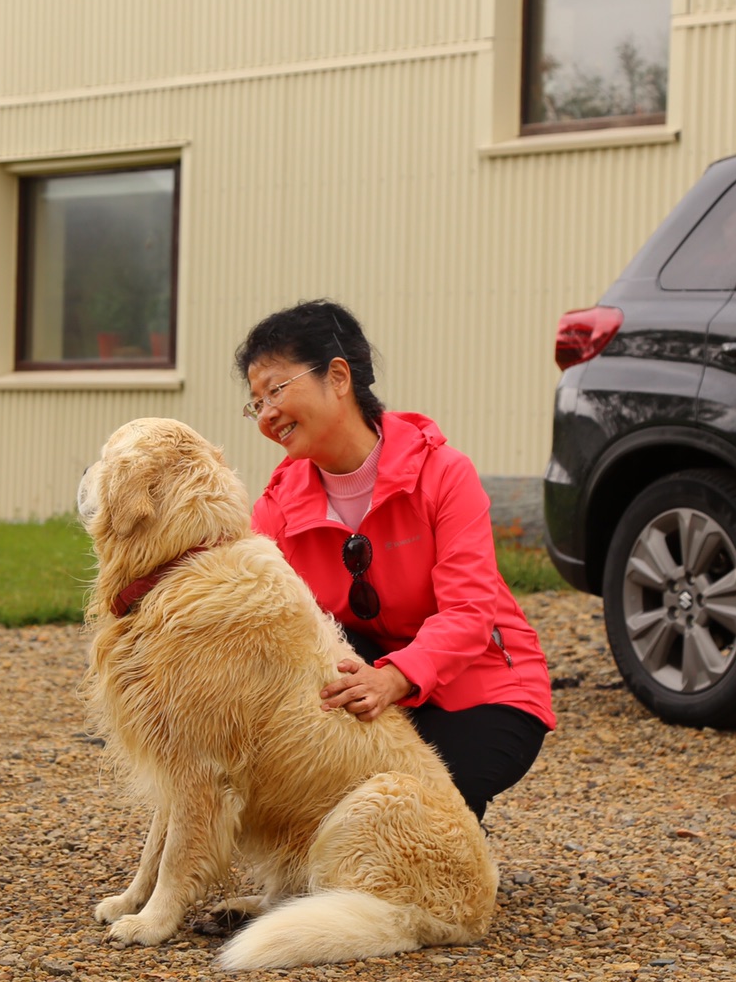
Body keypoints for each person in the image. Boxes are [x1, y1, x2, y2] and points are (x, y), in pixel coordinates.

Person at [236, 300, 554, 821]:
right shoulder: (278, 506)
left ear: (338, 376)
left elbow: (470, 612)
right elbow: (246, 600)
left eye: (276, 389)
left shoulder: (444, 473)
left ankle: (440, 852)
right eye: (255, 403)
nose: (266, 414)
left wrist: (394, 678)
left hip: (482, 684)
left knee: (426, 792)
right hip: (369, 685)